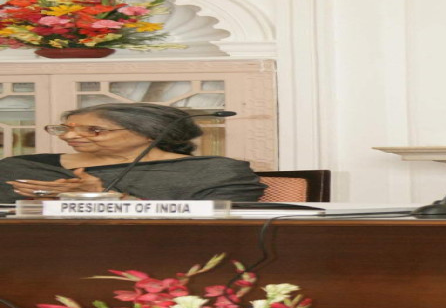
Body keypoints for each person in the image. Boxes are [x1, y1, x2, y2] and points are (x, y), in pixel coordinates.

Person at [0, 103, 265, 203]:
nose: (68, 137)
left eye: (94, 130)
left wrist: (109, 198)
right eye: (65, 129)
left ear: (151, 134)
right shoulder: (20, 168)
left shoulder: (215, 172)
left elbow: (222, 229)